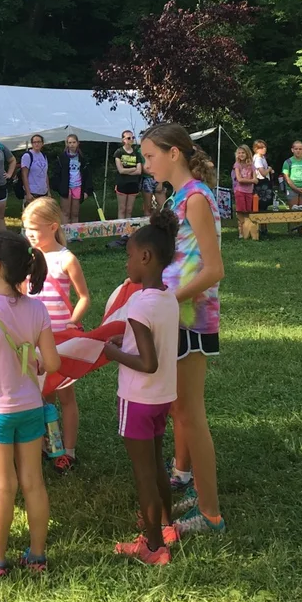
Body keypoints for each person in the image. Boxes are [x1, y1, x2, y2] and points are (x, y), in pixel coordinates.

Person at [140, 123, 225, 538]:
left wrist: (169, 301)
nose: (146, 163)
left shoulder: (196, 199)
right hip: (176, 316)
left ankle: (210, 515)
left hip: (191, 318)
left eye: (150, 155)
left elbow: (214, 268)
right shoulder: (178, 198)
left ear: (174, 153)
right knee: (180, 410)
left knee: (191, 414)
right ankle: (195, 485)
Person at [0, 230, 61, 577]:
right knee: (33, 481)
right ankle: (37, 556)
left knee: (3, 485)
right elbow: (52, 364)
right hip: (31, 407)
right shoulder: (37, 310)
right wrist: (30, 357)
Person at [101, 210, 181, 565]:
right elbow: (153, 342)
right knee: (158, 466)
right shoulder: (167, 298)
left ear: (145, 257)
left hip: (137, 397)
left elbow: (147, 362)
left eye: (129, 255)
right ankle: (167, 525)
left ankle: (152, 546)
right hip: (162, 397)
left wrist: (114, 351)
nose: (127, 262)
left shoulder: (138, 303)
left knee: (144, 473)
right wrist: (128, 340)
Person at [23, 196, 90, 473]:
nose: (29, 236)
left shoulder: (66, 258)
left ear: (52, 227)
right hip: (34, 339)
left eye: (34, 230)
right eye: (26, 230)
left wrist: (73, 322)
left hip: (62, 340)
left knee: (65, 396)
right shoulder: (27, 258)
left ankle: (69, 451)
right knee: (40, 395)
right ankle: (45, 445)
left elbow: (84, 296)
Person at [49, 133, 91, 226]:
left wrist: (87, 191)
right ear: (67, 144)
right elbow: (56, 174)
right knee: (65, 212)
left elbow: (87, 175)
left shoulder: (82, 158)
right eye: (69, 142)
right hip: (66, 187)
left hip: (78, 186)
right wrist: (59, 187)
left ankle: (75, 233)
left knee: (75, 213)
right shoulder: (62, 158)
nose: (72, 144)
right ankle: (65, 233)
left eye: (74, 142)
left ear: (77, 143)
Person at [113, 130, 143, 221]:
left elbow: (139, 171)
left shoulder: (137, 153)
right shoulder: (119, 152)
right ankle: (121, 231)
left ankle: (127, 230)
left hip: (133, 183)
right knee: (122, 209)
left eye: (132, 138)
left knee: (129, 210)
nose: (131, 140)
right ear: (123, 140)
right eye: (128, 138)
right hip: (122, 183)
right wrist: (132, 169)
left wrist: (128, 171)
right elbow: (121, 170)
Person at [231, 145, 256, 239]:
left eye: (243, 153)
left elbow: (256, 179)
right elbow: (239, 179)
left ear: (247, 153)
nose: (241, 155)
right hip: (239, 190)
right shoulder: (237, 165)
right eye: (239, 153)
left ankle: (247, 231)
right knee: (240, 211)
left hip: (249, 191)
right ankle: (241, 232)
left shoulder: (251, 165)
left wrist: (251, 180)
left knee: (248, 211)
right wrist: (251, 181)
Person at [281, 141, 302, 212]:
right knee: (293, 211)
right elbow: (286, 177)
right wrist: (295, 188)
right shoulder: (288, 162)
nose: (298, 151)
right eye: (296, 149)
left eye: (300, 149)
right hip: (291, 189)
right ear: (292, 150)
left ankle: (301, 223)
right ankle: (292, 223)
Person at [20, 134, 50, 206]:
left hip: (43, 192)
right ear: (32, 144)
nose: (37, 144)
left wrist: (48, 191)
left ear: (42, 143)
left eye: (39, 142)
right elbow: (24, 175)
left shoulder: (43, 156)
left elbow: (45, 174)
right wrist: (28, 193)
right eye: (34, 142)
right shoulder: (27, 156)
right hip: (33, 192)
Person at [252, 140, 275, 214]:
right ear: (256, 149)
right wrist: (269, 169)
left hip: (263, 184)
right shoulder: (258, 159)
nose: (264, 149)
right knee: (261, 206)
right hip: (260, 184)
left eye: (264, 147)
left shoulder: (262, 157)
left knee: (264, 207)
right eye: (261, 148)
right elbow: (263, 173)